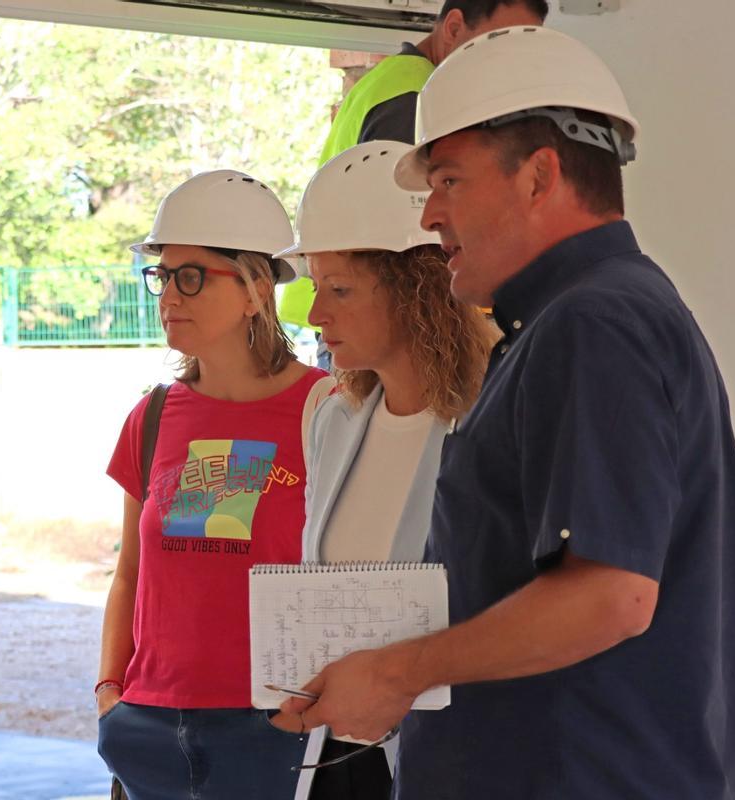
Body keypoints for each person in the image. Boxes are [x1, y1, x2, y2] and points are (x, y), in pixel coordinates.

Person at [282, 27, 735, 799]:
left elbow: (610, 595)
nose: (429, 215)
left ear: (540, 176)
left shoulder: (596, 325)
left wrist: (399, 672)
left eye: (449, 181)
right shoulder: (568, 323)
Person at [95, 170, 330, 800]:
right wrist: (110, 696)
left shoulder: (326, 410)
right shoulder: (152, 416)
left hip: (274, 732)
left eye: (191, 276)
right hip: (149, 727)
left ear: (256, 288)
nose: (169, 294)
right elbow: (130, 573)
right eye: (162, 276)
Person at [274, 141, 492, 799]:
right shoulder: (332, 419)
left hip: (455, 765)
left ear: (419, 288)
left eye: (339, 289)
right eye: (316, 287)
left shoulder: (489, 422)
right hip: (339, 760)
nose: (316, 315)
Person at [280, 0, 550, 367]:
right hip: (375, 324)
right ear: (453, 27)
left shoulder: (394, 80)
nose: (510, 63)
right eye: (500, 42)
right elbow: (406, 245)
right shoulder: (415, 97)